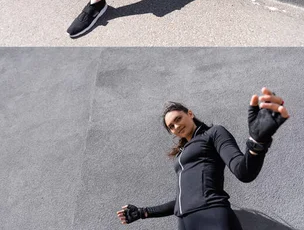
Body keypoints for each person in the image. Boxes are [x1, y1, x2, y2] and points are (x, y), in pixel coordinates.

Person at [116, 87, 289, 230]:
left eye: (178, 119)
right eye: (171, 126)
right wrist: (143, 212)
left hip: (211, 215)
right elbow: (183, 200)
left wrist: (257, 142)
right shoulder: (181, 155)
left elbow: (243, 171)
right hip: (185, 222)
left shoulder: (213, 133)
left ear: (190, 114)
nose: (176, 126)